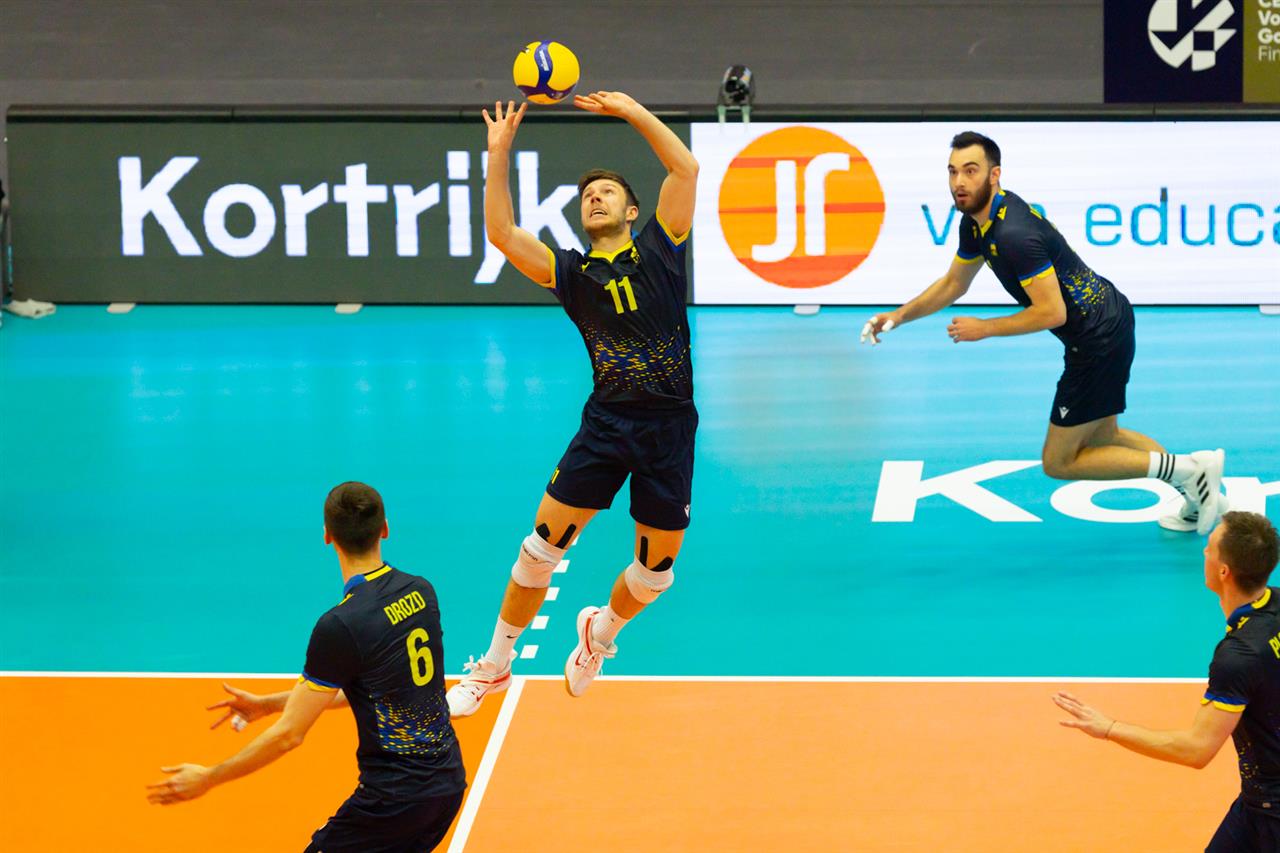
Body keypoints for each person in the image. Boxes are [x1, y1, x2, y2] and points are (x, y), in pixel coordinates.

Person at [446, 92, 698, 715]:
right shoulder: (571, 273)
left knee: (655, 574)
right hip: (607, 424)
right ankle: (494, 666)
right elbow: (502, 233)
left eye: (607, 191)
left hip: (669, 429)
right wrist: (498, 153)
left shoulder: (663, 248)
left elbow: (685, 168)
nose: (595, 197)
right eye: (587, 195)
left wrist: (631, 111)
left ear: (633, 210)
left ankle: (600, 632)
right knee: (539, 551)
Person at [860, 131, 1225, 535]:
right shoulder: (977, 223)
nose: (959, 182)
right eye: (952, 171)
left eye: (971, 171)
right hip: (1109, 319)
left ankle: (1191, 471)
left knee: (1058, 461)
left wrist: (986, 328)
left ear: (994, 175)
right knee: (1105, 436)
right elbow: (953, 284)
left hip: (1096, 339)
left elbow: (1052, 312)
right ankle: (1199, 490)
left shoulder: (1014, 235)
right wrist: (898, 316)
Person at [146, 482, 466, 853]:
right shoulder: (420, 591)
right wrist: (269, 704)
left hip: (393, 801)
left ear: (327, 535)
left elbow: (288, 736)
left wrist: (208, 777)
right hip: (447, 786)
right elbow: (379, 690)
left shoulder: (341, 625)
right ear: (385, 528)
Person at [1055, 511, 1280, 852]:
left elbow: (1196, 749)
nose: (1203, 552)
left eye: (1209, 547)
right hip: (1256, 801)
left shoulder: (1238, 656)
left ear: (1224, 571)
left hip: (1272, 814)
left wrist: (1109, 728)